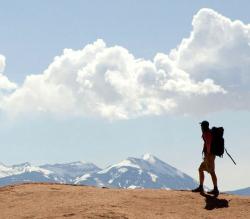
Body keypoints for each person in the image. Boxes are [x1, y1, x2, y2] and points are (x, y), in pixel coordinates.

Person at [192, 120, 219, 197]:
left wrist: (208, 155)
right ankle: (201, 187)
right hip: (209, 155)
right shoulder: (208, 133)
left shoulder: (207, 133)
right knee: (201, 169)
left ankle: (215, 189)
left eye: (201, 126)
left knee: (212, 172)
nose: (201, 127)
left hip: (209, 156)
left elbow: (208, 143)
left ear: (204, 126)